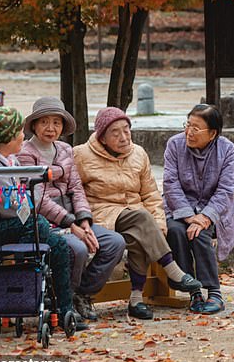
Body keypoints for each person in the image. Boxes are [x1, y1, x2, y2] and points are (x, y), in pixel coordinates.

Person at [0, 106, 87, 330]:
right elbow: (11, 209)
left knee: (52, 241)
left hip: (2, 226)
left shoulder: (6, 158)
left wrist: (27, 200)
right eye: (19, 133)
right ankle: (43, 302)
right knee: (41, 229)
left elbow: (21, 201)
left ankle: (59, 308)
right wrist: (29, 200)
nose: (24, 136)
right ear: (8, 138)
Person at [73, 107, 202, 320]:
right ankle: (173, 271)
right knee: (142, 219)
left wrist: (159, 223)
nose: (123, 137)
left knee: (140, 231)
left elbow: (151, 194)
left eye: (126, 130)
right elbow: (74, 192)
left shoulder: (138, 153)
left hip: (135, 217)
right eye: (115, 133)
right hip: (101, 215)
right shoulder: (81, 155)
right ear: (102, 137)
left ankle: (136, 300)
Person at [16, 96, 126, 322]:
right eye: (44, 122)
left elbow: (76, 188)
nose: (50, 128)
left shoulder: (65, 149)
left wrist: (84, 221)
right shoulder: (25, 153)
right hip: (46, 221)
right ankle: (62, 299)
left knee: (114, 242)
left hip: (73, 217)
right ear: (34, 125)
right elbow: (38, 200)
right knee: (78, 249)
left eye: (56, 122)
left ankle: (80, 294)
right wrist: (71, 224)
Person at [163, 103, 234, 314]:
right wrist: (189, 217)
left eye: (196, 128)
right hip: (178, 207)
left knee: (200, 233)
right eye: (188, 125)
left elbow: (226, 189)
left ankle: (214, 292)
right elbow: (170, 184)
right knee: (176, 230)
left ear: (212, 133)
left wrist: (205, 217)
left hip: (214, 208)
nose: (189, 132)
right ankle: (193, 290)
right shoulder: (174, 145)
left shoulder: (227, 149)